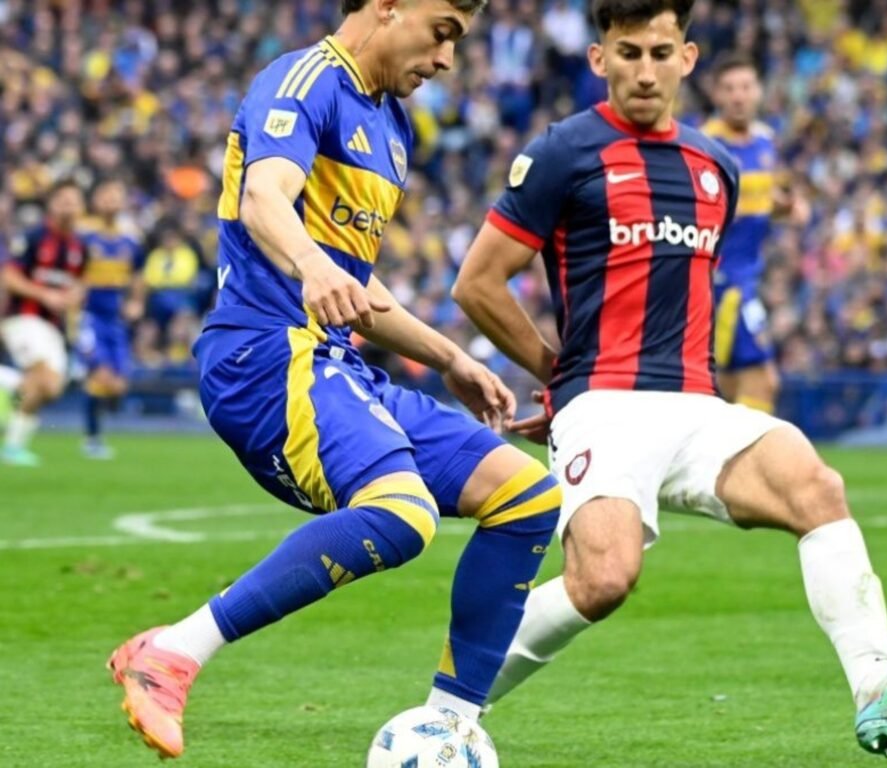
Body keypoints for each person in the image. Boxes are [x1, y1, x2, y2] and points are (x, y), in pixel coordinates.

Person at [451, 0, 887, 757]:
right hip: (604, 404)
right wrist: (557, 376)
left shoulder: (715, 168)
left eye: (659, 52)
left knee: (817, 487)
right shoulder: (564, 152)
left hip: (698, 406)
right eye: (628, 53)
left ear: (687, 57)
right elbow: (477, 283)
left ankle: (877, 687)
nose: (645, 70)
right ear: (599, 60)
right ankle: (446, 705)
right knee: (603, 579)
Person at [107, 0, 559, 760]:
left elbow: (353, 284)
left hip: (333, 359)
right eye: (442, 32)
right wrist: (311, 265)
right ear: (387, 6)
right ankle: (174, 652)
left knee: (527, 497)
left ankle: (448, 727)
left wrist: (449, 358)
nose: (447, 59)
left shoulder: (392, 126)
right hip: (264, 354)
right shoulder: (305, 80)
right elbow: (264, 198)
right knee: (402, 514)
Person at [702, 51, 807, 413]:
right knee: (761, 382)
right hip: (721, 282)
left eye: (745, 87)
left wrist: (785, 207)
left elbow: (762, 198)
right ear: (716, 94)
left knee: (728, 387)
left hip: (748, 278)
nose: (738, 96)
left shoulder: (765, 141)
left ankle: (719, 449)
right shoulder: (705, 146)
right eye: (729, 88)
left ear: (759, 91)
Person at [0, 180, 87, 467]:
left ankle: (12, 448)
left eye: (73, 201)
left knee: (50, 388)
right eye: (63, 200)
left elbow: (78, 285)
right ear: (51, 204)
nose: (68, 206)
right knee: (43, 380)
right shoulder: (34, 237)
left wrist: (74, 297)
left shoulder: (79, 247)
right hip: (23, 319)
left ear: (81, 207)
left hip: (53, 326)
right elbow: (9, 277)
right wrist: (45, 295)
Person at [77, 179, 147, 459]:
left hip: (115, 320)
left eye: (116, 196)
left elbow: (138, 275)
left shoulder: (130, 239)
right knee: (101, 376)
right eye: (106, 196)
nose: (111, 201)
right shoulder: (83, 235)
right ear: (95, 200)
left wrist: (136, 302)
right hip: (89, 316)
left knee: (118, 384)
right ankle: (92, 439)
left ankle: (96, 431)